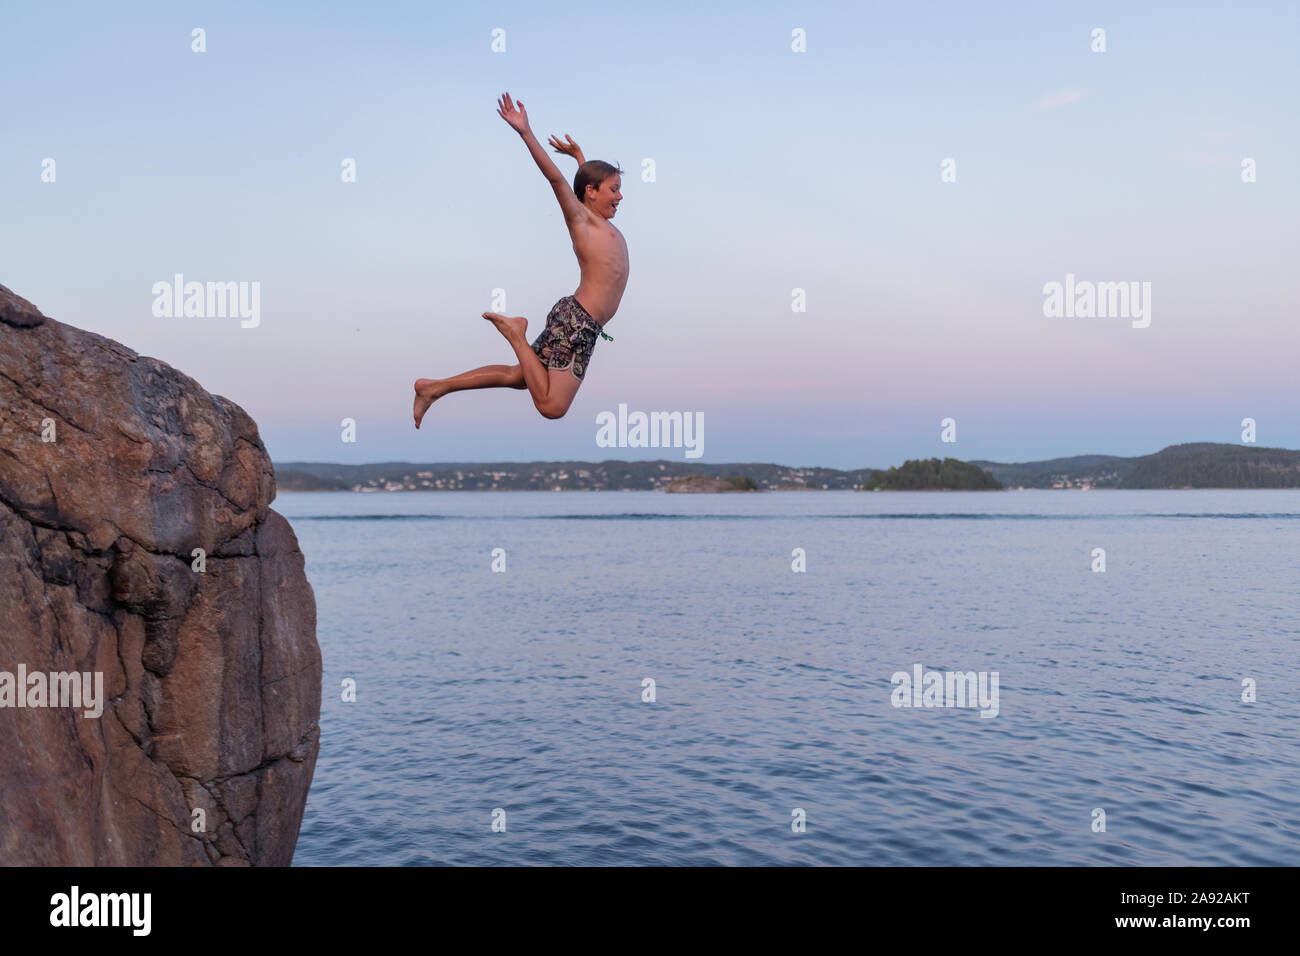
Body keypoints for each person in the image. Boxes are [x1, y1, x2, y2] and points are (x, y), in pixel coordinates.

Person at [414, 92, 629, 427]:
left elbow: (582, 181)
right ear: (591, 192)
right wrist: (526, 132)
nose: (619, 195)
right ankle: (515, 333)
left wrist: (579, 157)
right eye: (614, 189)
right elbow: (557, 180)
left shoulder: (597, 220)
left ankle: (435, 388)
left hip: (579, 321)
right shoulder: (582, 222)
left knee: (520, 376)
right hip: (577, 322)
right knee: (551, 407)